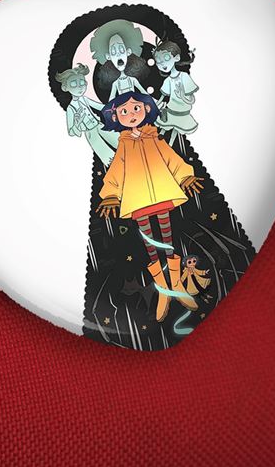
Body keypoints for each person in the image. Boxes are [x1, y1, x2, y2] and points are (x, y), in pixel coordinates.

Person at [98, 91, 205, 323]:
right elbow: (116, 170)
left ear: (146, 109)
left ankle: (176, 283)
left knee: (167, 239)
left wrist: (185, 176)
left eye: (136, 108)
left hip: (162, 192)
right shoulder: (124, 145)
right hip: (138, 199)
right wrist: (110, 195)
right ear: (115, 117)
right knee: (149, 245)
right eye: (124, 111)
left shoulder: (154, 138)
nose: (131, 114)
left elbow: (171, 158)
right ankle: (163, 290)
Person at [53, 63, 118, 168]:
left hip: (99, 125)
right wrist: (77, 123)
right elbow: (71, 131)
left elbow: (99, 107)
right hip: (90, 133)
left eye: (82, 82)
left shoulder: (85, 99)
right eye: (74, 84)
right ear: (65, 87)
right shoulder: (71, 108)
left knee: (118, 140)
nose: (80, 87)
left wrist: (114, 107)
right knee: (107, 156)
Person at [153, 40, 198, 141]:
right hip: (171, 111)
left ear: (176, 57)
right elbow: (162, 97)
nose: (162, 63)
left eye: (166, 58)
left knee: (176, 130)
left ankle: (169, 144)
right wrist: (154, 106)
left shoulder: (184, 76)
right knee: (164, 128)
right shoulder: (168, 80)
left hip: (183, 113)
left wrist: (183, 97)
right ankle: (161, 139)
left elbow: (192, 100)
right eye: (158, 61)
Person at [89, 19, 147, 99]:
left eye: (121, 49)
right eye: (113, 52)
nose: (118, 54)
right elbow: (111, 101)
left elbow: (145, 94)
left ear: (128, 52)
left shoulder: (133, 80)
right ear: (108, 57)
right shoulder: (115, 84)